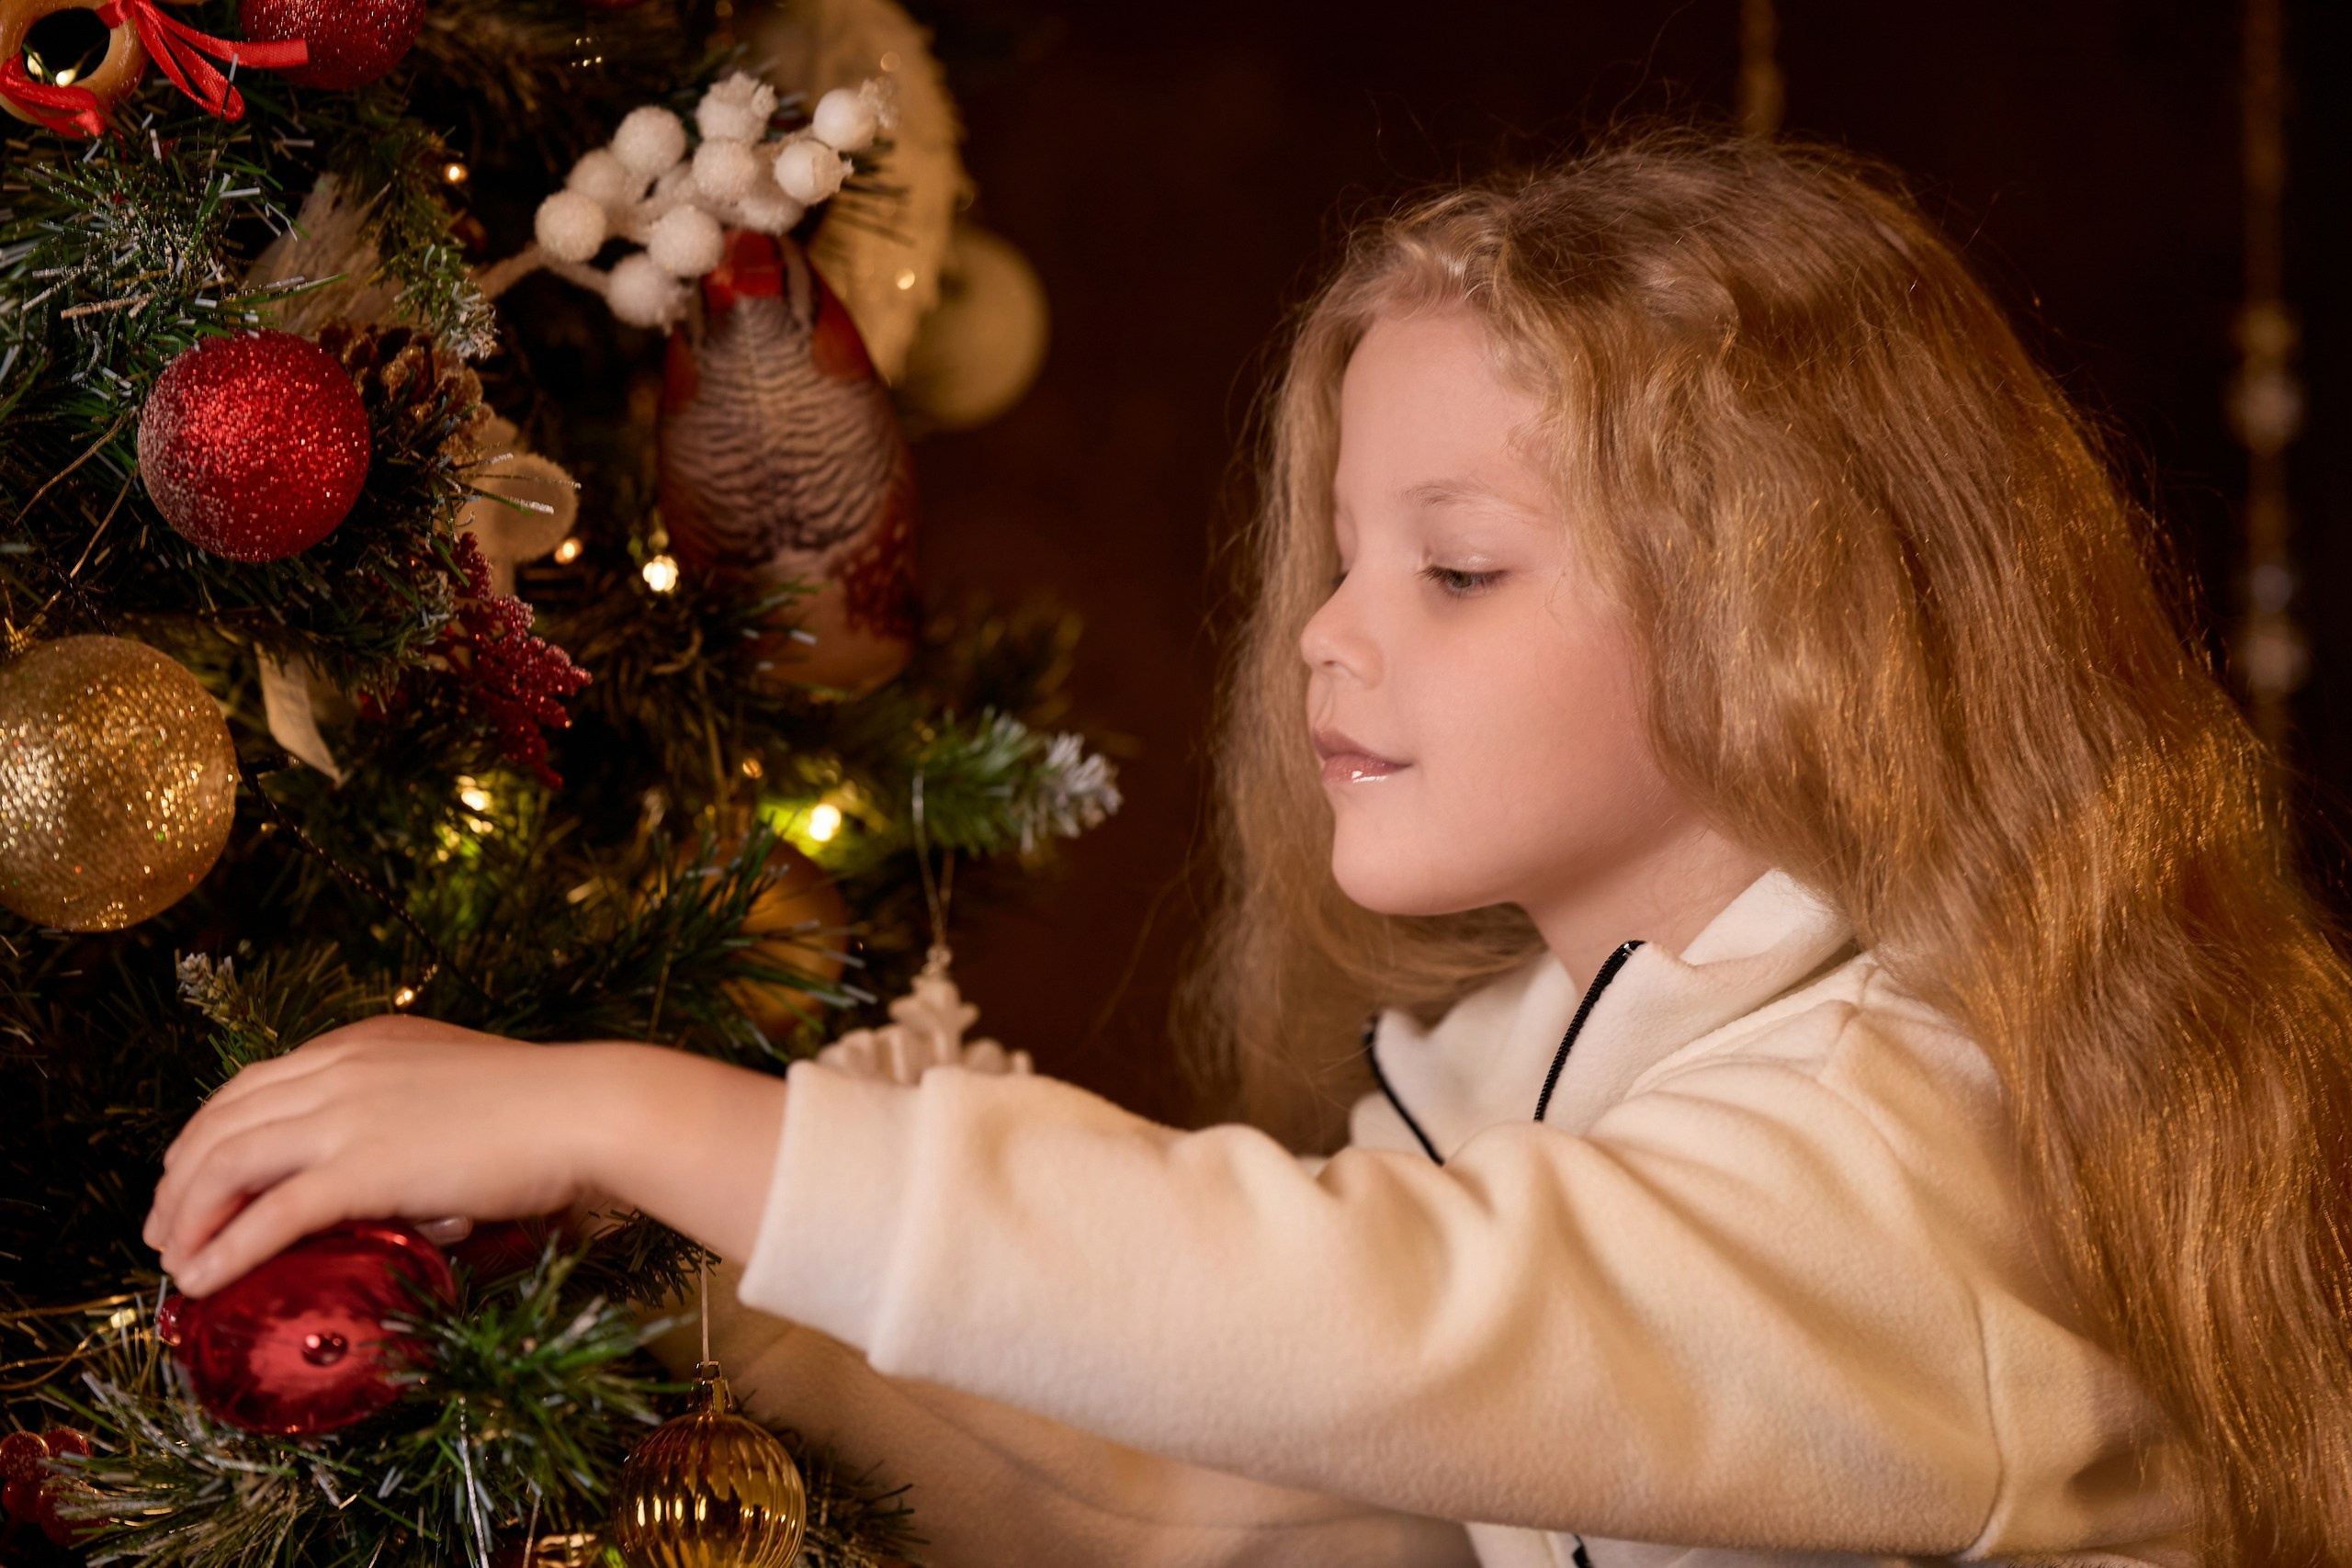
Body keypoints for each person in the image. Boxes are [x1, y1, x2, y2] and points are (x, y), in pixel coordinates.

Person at [141, 131, 2352, 1568]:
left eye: (1456, 570)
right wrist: (688, 1275)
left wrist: (642, 1108)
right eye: (1337, 552)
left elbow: (1350, 1327)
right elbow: (1233, 1484)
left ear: (1791, 615)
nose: (1323, 629)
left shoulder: (1914, 1130)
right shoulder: (1548, 1065)